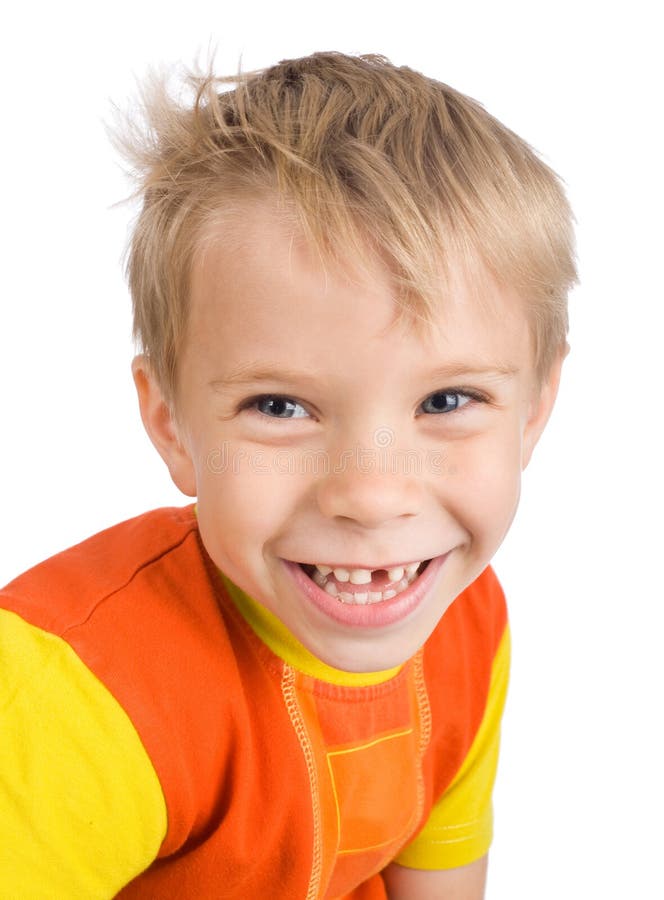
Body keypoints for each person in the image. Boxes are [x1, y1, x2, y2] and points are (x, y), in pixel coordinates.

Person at [0, 51, 576, 899]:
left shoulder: (461, 618)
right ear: (171, 423)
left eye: (448, 399)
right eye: (280, 407)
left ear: (534, 409)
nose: (373, 496)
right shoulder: (69, 696)